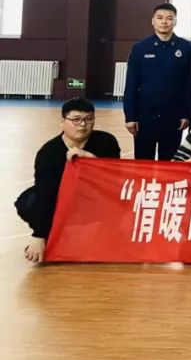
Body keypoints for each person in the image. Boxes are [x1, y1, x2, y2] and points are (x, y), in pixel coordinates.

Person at [20, 98, 121, 263]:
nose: (83, 124)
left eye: (88, 119)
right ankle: (53, 237)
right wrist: (39, 235)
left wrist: (89, 159)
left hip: (97, 200)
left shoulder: (106, 142)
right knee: (28, 200)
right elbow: (46, 195)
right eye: (76, 120)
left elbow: (115, 178)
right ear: (62, 122)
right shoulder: (48, 153)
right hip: (64, 202)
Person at [123, 2, 191, 160]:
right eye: (160, 18)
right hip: (144, 117)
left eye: (169, 18)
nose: (164, 22)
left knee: (170, 163)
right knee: (143, 163)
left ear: (175, 22)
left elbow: (189, 85)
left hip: (174, 117)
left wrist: (186, 113)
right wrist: (130, 116)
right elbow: (131, 84)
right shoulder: (140, 48)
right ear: (153, 21)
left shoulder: (187, 48)